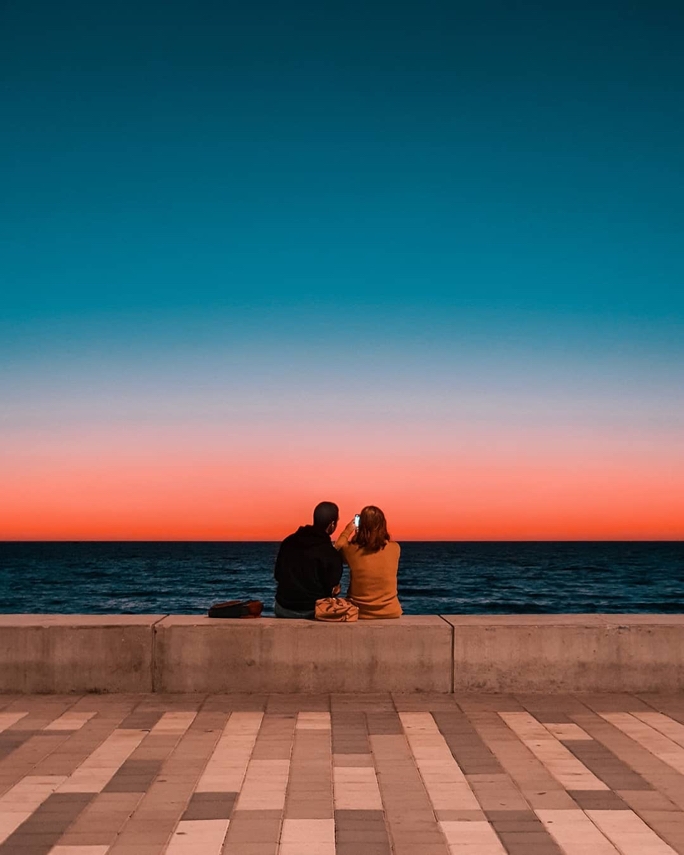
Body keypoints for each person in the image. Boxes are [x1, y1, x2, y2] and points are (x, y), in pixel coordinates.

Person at [273, 501, 343, 619]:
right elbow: (332, 586)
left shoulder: (288, 542)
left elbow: (277, 575)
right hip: (313, 610)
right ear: (332, 525)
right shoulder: (329, 552)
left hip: (283, 608)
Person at [335, 505, 402, 619]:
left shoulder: (351, 550)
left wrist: (348, 530)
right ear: (383, 525)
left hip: (359, 612)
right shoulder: (395, 548)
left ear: (361, 526)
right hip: (390, 611)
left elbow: (336, 548)